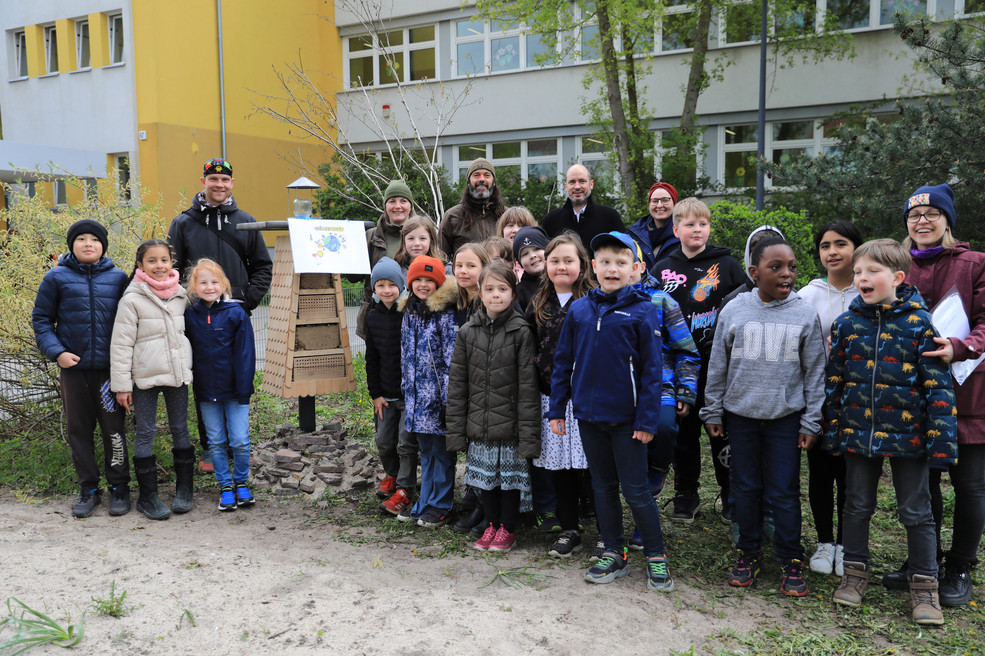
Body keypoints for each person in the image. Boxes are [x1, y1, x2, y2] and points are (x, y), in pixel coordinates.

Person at [824, 238, 957, 625]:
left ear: (897, 277)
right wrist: (833, 432)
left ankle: (925, 588)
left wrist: (942, 445)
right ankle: (854, 575)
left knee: (916, 512)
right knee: (856, 505)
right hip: (859, 435)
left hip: (909, 438)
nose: (862, 278)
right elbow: (835, 382)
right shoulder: (846, 324)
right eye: (858, 272)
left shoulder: (920, 323)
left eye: (872, 272)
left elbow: (940, 391)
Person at [549, 231, 674, 593]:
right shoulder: (579, 310)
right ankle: (614, 552)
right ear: (593, 266)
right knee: (603, 488)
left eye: (621, 263)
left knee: (636, 491)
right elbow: (563, 361)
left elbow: (653, 372)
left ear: (635, 268)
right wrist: (558, 407)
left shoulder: (645, 311)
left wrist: (647, 419)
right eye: (605, 262)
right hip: (588, 417)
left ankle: (656, 556)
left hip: (629, 422)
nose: (612, 269)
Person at [701, 236, 826, 597]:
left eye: (792, 267)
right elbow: (718, 365)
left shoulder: (804, 312)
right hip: (740, 418)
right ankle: (748, 553)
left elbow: (815, 372)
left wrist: (811, 421)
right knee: (746, 488)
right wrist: (712, 409)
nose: (786, 274)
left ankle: (790, 557)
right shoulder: (735, 310)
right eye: (776, 267)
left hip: (785, 420)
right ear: (754, 273)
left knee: (784, 491)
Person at [883, 183, 985, 608]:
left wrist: (959, 348)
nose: (921, 221)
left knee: (971, 485)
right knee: (922, 485)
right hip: (914, 396)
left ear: (946, 220)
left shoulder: (975, 263)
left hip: (967, 392)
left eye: (930, 213)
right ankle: (923, 561)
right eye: (913, 214)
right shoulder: (898, 264)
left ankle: (960, 566)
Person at [168, 158, 272, 473]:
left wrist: (247, 301)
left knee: (238, 373)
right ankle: (212, 449)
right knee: (205, 377)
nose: (219, 185)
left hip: (235, 317)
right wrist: (186, 305)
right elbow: (172, 268)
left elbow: (263, 267)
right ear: (204, 182)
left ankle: (239, 443)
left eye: (225, 180)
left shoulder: (246, 221)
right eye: (213, 180)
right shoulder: (183, 223)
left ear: (232, 184)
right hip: (197, 319)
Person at [652, 197, 745, 523]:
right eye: (689, 224)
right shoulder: (662, 268)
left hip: (718, 365)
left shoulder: (729, 266)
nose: (697, 229)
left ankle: (731, 493)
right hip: (677, 366)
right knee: (684, 432)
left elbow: (745, 309)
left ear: (709, 228)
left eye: (702, 224)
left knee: (721, 431)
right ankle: (686, 495)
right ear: (676, 229)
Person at [32, 219, 130, 518]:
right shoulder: (56, 278)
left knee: (114, 431)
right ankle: (88, 489)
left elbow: (131, 322)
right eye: (81, 239)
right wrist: (57, 352)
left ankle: (119, 488)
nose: (88, 244)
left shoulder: (119, 279)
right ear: (71, 245)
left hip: (109, 373)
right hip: (73, 372)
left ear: (103, 245)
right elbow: (41, 320)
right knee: (79, 431)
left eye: (94, 239)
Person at [447, 260, 540, 552]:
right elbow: (458, 384)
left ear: (513, 293)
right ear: (480, 293)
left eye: (502, 289)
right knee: (485, 481)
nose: (496, 295)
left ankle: (507, 529)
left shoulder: (521, 332)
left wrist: (528, 435)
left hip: (510, 425)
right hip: (480, 424)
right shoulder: (467, 331)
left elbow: (528, 387)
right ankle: (490, 525)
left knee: (508, 482)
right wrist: (456, 429)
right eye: (489, 289)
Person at [110, 239, 195, 521]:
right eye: (152, 261)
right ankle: (148, 497)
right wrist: (121, 386)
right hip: (144, 379)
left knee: (180, 429)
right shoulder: (132, 299)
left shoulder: (182, 295)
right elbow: (121, 346)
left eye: (164, 260)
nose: (159, 266)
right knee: (145, 432)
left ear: (172, 263)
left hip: (177, 375)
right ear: (140, 266)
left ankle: (185, 490)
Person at [798, 220, 864, 577]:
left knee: (852, 476)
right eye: (825, 246)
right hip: (820, 399)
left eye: (841, 244)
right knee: (821, 472)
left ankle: (848, 544)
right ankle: (825, 541)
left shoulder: (868, 290)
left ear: (857, 247)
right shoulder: (807, 295)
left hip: (859, 400)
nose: (833, 252)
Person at [626, 253, 700, 550]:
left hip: (661, 387)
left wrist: (686, 389)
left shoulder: (661, 301)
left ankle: (653, 489)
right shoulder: (600, 301)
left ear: (641, 267)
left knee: (664, 428)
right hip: (617, 390)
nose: (617, 269)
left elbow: (686, 349)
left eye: (626, 262)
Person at [528, 233, 596, 557]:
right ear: (545, 265)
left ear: (582, 264)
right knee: (562, 470)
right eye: (554, 260)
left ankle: (604, 532)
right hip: (551, 400)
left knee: (592, 469)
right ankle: (570, 528)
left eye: (568, 260)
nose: (561, 266)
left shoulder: (594, 300)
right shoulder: (539, 303)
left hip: (586, 400)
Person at [184, 259, 257, 512]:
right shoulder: (190, 315)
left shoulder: (236, 313)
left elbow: (246, 354)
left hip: (236, 390)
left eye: (214, 282)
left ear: (223, 284)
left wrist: (244, 387)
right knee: (215, 441)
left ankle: (241, 482)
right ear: (194, 286)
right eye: (203, 282)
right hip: (206, 390)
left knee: (239, 440)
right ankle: (225, 486)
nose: (209, 286)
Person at [398, 255, 459, 527]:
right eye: (418, 280)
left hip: (437, 399)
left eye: (429, 280)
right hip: (416, 399)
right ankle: (425, 500)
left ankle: (442, 503)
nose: (423, 285)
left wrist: (448, 399)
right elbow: (405, 356)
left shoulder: (444, 316)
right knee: (426, 452)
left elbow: (451, 360)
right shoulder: (410, 314)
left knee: (442, 453)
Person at [365, 258, 416, 517]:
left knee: (406, 444)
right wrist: (375, 394)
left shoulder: (410, 313)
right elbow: (371, 358)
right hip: (385, 394)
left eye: (391, 284)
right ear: (374, 288)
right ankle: (392, 476)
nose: (386, 290)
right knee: (384, 441)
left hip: (408, 394)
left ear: (402, 286)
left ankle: (406, 489)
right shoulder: (372, 317)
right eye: (380, 285)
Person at [357, 180, 418, 339]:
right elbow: (354, 276)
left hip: (413, 315)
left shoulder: (421, 235)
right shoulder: (371, 237)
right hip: (378, 316)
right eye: (392, 201)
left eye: (403, 201)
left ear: (410, 205)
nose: (398, 206)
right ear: (385, 206)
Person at [542, 164, 623, 258]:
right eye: (572, 182)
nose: (577, 186)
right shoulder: (551, 219)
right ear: (566, 186)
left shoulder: (609, 217)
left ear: (591, 184)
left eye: (582, 181)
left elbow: (622, 253)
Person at [439, 159, 506, 257]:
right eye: (476, 175)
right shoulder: (452, 216)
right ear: (468, 183)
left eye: (487, 175)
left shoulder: (506, 216)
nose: (482, 179)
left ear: (494, 183)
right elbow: (442, 258)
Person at [627, 182, 681, 270]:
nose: (659, 205)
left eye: (665, 200)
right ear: (649, 204)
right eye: (655, 201)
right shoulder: (633, 234)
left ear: (674, 203)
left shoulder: (684, 233)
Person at [451, 242, 490, 329]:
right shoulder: (452, 303)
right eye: (459, 265)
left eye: (471, 266)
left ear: (484, 268)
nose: (463, 271)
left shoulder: (490, 302)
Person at [513, 226, 548, 314]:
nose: (532, 256)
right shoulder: (519, 293)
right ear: (519, 262)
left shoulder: (562, 280)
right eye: (525, 254)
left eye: (536, 249)